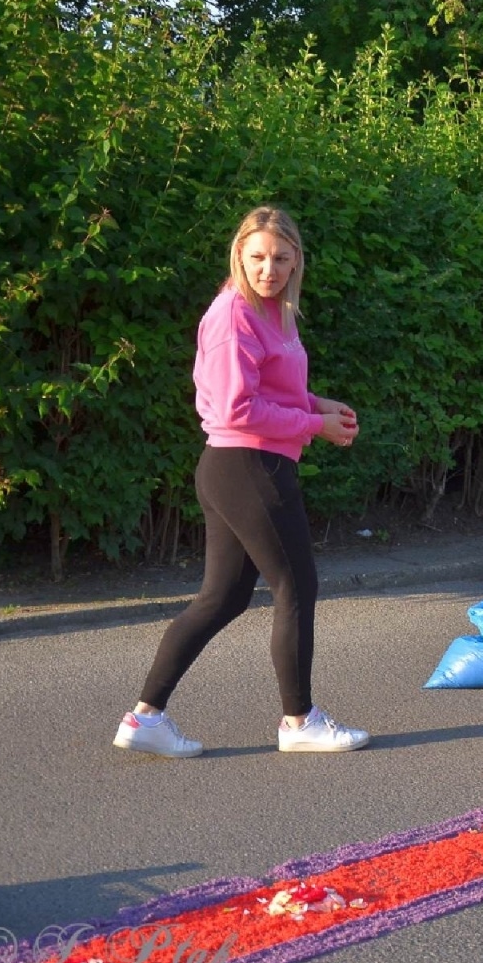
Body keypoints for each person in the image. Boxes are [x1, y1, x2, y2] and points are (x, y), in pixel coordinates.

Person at [113, 206, 369, 758]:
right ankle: (299, 722)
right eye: (256, 257)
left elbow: (272, 389)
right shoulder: (233, 314)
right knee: (296, 586)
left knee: (223, 598)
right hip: (248, 467)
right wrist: (314, 426)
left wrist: (318, 406)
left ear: (296, 261)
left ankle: (144, 719)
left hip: (243, 468)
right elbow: (237, 408)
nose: (267, 269)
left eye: (280, 258)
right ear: (239, 256)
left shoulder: (276, 312)